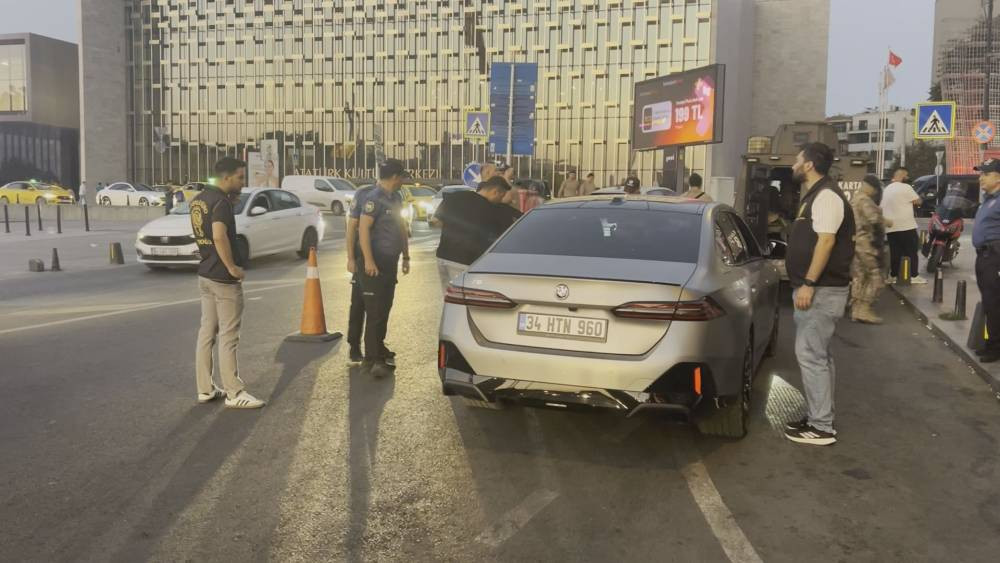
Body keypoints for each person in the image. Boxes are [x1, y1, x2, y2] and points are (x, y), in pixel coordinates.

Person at [783, 142, 855, 446]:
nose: (794, 165)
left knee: (811, 356)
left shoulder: (826, 196)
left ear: (809, 164)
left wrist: (809, 283)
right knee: (819, 356)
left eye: (798, 160)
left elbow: (826, 243)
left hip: (821, 290)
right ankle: (819, 415)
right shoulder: (817, 195)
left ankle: (822, 426)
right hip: (820, 289)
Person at [190, 157, 264, 409]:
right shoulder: (220, 202)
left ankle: (205, 388)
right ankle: (234, 392)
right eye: (240, 178)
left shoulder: (199, 199)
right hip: (223, 278)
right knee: (229, 336)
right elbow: (219, 235)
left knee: (206, 332)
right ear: (226, 178)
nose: (242, 183)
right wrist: (233, 267)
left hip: (205, 274)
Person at [358, 159, 410, 378]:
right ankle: (373, 359)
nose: (404, 181)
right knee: (375, 311)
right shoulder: (373, 199)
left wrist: (406, 256)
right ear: (395, 177)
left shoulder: (396, 198)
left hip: (390, 263)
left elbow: (402, 228)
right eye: (402, 177)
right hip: (374, 263)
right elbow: (363, 229)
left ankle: (378, 349)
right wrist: (368, 261)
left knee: (384, 308)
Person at [434, 176, 512, 292]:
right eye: (501, 196)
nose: (500, 200)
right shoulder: (490, 209)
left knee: (448, 298)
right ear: (496, 191)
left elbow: (436, 221)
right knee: (464, 300)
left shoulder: (455, 197)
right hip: (465, 261)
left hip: (443, 256)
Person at [346, 182, 378, 364]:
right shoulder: (364, 193)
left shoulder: (394, 195)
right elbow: (351, 228)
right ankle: (354, 346)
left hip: (381, 259)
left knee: (378, 307)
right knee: (359, 303)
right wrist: (350, 258)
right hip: (361, 257)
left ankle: (374, 348)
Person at [849, 175, 889, 324]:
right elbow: (874, 221)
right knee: (875, 276)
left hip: (856, 243)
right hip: (867, 244)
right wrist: (885, 221)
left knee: (859, 276)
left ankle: (856, 310)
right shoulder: (865, 201)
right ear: (870, 187)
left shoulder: (854, 199)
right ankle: (864, 309)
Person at [972, 159, 1000, 363]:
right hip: (983, 256)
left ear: (998, 177)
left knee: (995, 302)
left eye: (986, 174)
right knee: (990, 302)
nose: (981, 177)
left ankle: (996, 348)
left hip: (995, 257)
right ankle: (992, 344)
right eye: (981, 173)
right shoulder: (989, 199)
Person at [881, 167, 926, 284]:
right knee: (911, 251)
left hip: (891, 227)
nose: (908, 178)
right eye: (906, 176)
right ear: (902, 176)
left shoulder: (887, 189)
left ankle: (894, 276)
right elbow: (918, 201)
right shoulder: (906, 187)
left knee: (895, 252)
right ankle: (914, 276)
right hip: (906, 226)